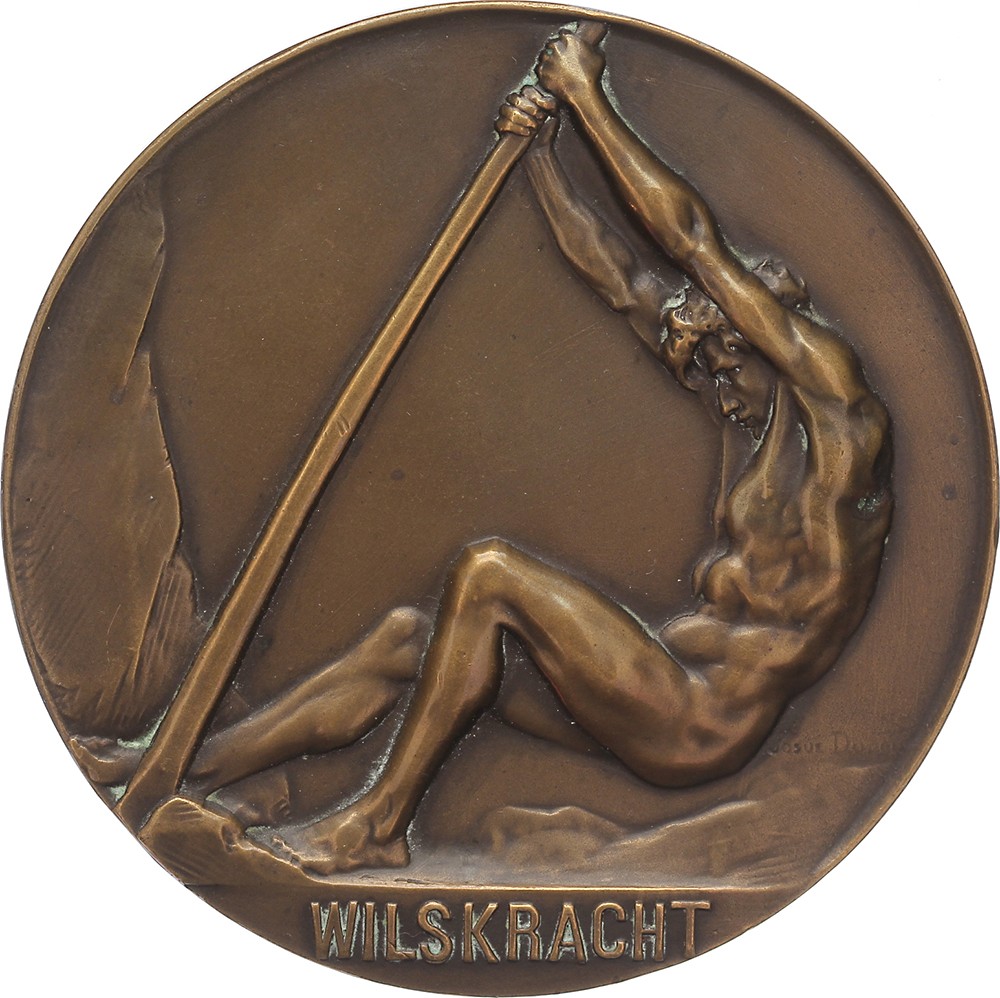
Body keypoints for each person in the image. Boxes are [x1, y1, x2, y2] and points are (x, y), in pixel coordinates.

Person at [265, 31, 893, 874]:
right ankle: (183, 768)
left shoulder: (840, 412)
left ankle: (377, 824)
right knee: (413, 638)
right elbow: (623, 282)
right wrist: (541, 160)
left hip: (698, 722)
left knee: (489, 573)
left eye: (723, 364)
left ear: (766, 341)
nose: (715, 389)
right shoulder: (756, 418)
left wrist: (588, 96)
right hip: (660, 696)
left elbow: (692, 243)